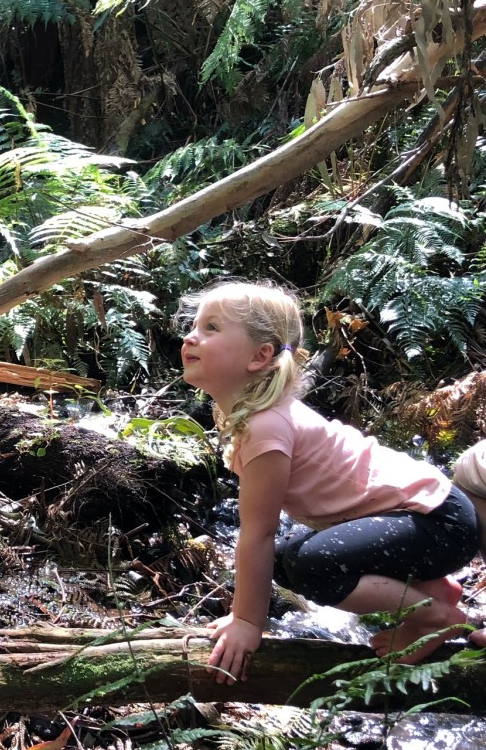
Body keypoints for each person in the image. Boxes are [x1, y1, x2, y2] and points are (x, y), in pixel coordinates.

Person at [179, 279, 480, 684]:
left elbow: (256, 533)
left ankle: (433, 616)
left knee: (313, 566)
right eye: (195, 325)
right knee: (286, 561)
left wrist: (247, 622)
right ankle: (437, 593)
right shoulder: (258, 416)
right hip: (427, 519)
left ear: (260, 356)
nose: (191, 336)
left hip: (437, 522)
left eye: (211, 328)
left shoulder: (266, 427)